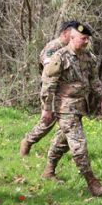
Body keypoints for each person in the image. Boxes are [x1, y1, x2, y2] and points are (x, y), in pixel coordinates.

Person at [40, 21, 102, 196]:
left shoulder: (88, 57)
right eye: (82, 38)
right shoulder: (59, 57)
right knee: (79, 144)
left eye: (87, 38)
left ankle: (48, 171)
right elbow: (48, 85)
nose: (86, 41)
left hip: (80, 106)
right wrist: (47, 109)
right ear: (71, 37)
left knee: (63, 140)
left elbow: (94, 80)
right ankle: (92, 183)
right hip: (64, 107)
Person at [19, 22, 76, 156]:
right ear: (65, 33)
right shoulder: (53, 47)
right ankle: (27, 142)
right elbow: (48, 73)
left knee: (69, 123)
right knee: (47, 122)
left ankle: (58, 152)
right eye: (72, 34)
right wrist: (47, 102)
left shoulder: (71, 49)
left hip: (66, 93)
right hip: (52, 90)